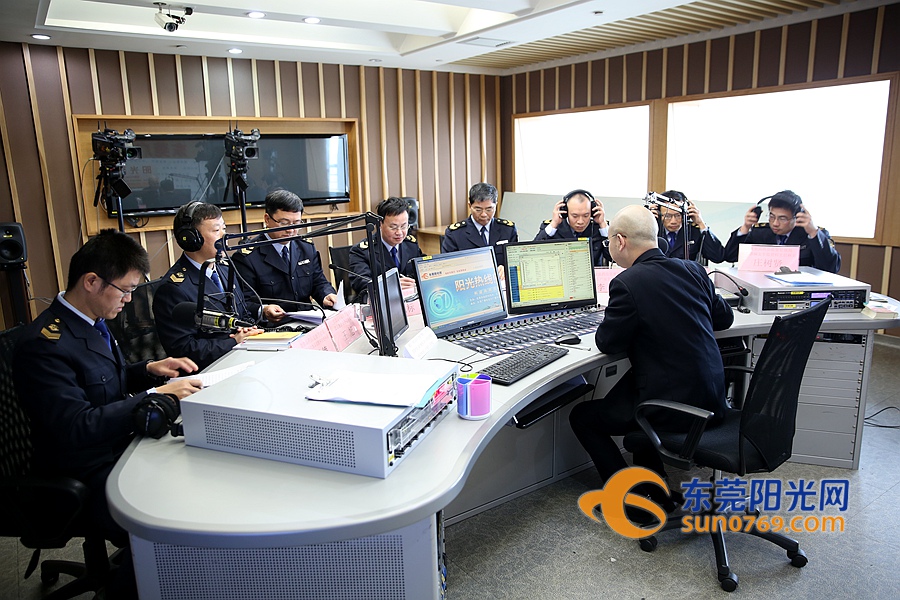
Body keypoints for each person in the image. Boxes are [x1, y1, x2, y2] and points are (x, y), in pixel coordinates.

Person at [13, 230, 202, 594]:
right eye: (125, 290)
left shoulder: (91, 322)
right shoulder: (44, 345)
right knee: (170, 519)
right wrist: (155, 394)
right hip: (82, 469)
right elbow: (76, 426)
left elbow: (101, 380)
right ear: (91, 281)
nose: (129, 300)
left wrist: (148, 369)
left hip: (114, 447)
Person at [569, 205, 734, 508]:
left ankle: (628, 498)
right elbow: (724, 320)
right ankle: (655, 492)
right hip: (712, 397)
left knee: (583, 417)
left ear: (620, 241)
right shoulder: (693, 270)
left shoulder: (627, 283)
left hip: (672, 405)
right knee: (629, 399)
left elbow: (607, 342)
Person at [153, 202, 277, 370]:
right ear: (192, 238)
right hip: (210, 371)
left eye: (224, 228)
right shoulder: (173, 289)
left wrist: (250, 330)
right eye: (216, 230)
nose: (224, 235)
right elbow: (184, 349)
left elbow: (242, 313)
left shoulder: (226, 268)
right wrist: (233, 341)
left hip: (243, 357)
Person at [231, 189, 338, 315]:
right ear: (267, 219)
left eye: (297, 223)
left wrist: (326, 295)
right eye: (284, 223)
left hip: (308, 320)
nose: (291, 230)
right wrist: (264, 310)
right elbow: (244, 302)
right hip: (273, 327)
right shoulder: (247, 257)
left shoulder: (306, 247)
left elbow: (318, 281)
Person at [723, 190, 841, 273]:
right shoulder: (760, 232)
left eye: (782, 218)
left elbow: (830, 269)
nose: (775, 223)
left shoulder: (812, 235)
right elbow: (730, 256)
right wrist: (745, 228)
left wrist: (813, 233)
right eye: (772, 216)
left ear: (797, 217)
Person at [348, 196, 424, 298]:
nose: (399, 232)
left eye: (404, 226)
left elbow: (422, 270)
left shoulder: (411, 245)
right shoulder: (362, 251)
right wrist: (390, 286)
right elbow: (361, 283)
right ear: (380, 224)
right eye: (393, 227)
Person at [441, 183, 518, 265]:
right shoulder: (455, 234)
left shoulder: (508, 230)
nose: (483, 214)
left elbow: (515, 261)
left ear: (496, 205)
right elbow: (448, 265)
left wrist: (505, 268)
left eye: (489, 209)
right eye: (478, 209)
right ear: (470, 206)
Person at [534, 189, 610, 265]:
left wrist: (603, 224)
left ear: (592, 213)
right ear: (566, 212)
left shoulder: (598, 228)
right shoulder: (554, 228)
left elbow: (612, 257)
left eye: (586, 216)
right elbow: (534, 253)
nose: (580, 221)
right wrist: (554, 224)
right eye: (575, 216)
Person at [651, 190, 725, 263]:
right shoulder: (651, 231)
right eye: (667, 216)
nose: (673, 221)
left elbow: (718, 257)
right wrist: (646, 222)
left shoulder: (694, 231)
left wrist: (701, 224)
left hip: (686, 274)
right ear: (659, 214)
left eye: (678, 215)